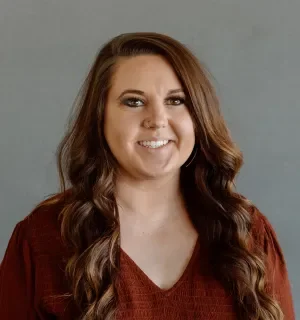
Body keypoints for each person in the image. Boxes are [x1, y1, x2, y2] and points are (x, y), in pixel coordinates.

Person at [0, 32, 295, 320]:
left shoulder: (248, 234)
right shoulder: (42, 238)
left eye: (176, 101)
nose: (157, 120)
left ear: (198, 117)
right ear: (100, 117)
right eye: (133, 101)